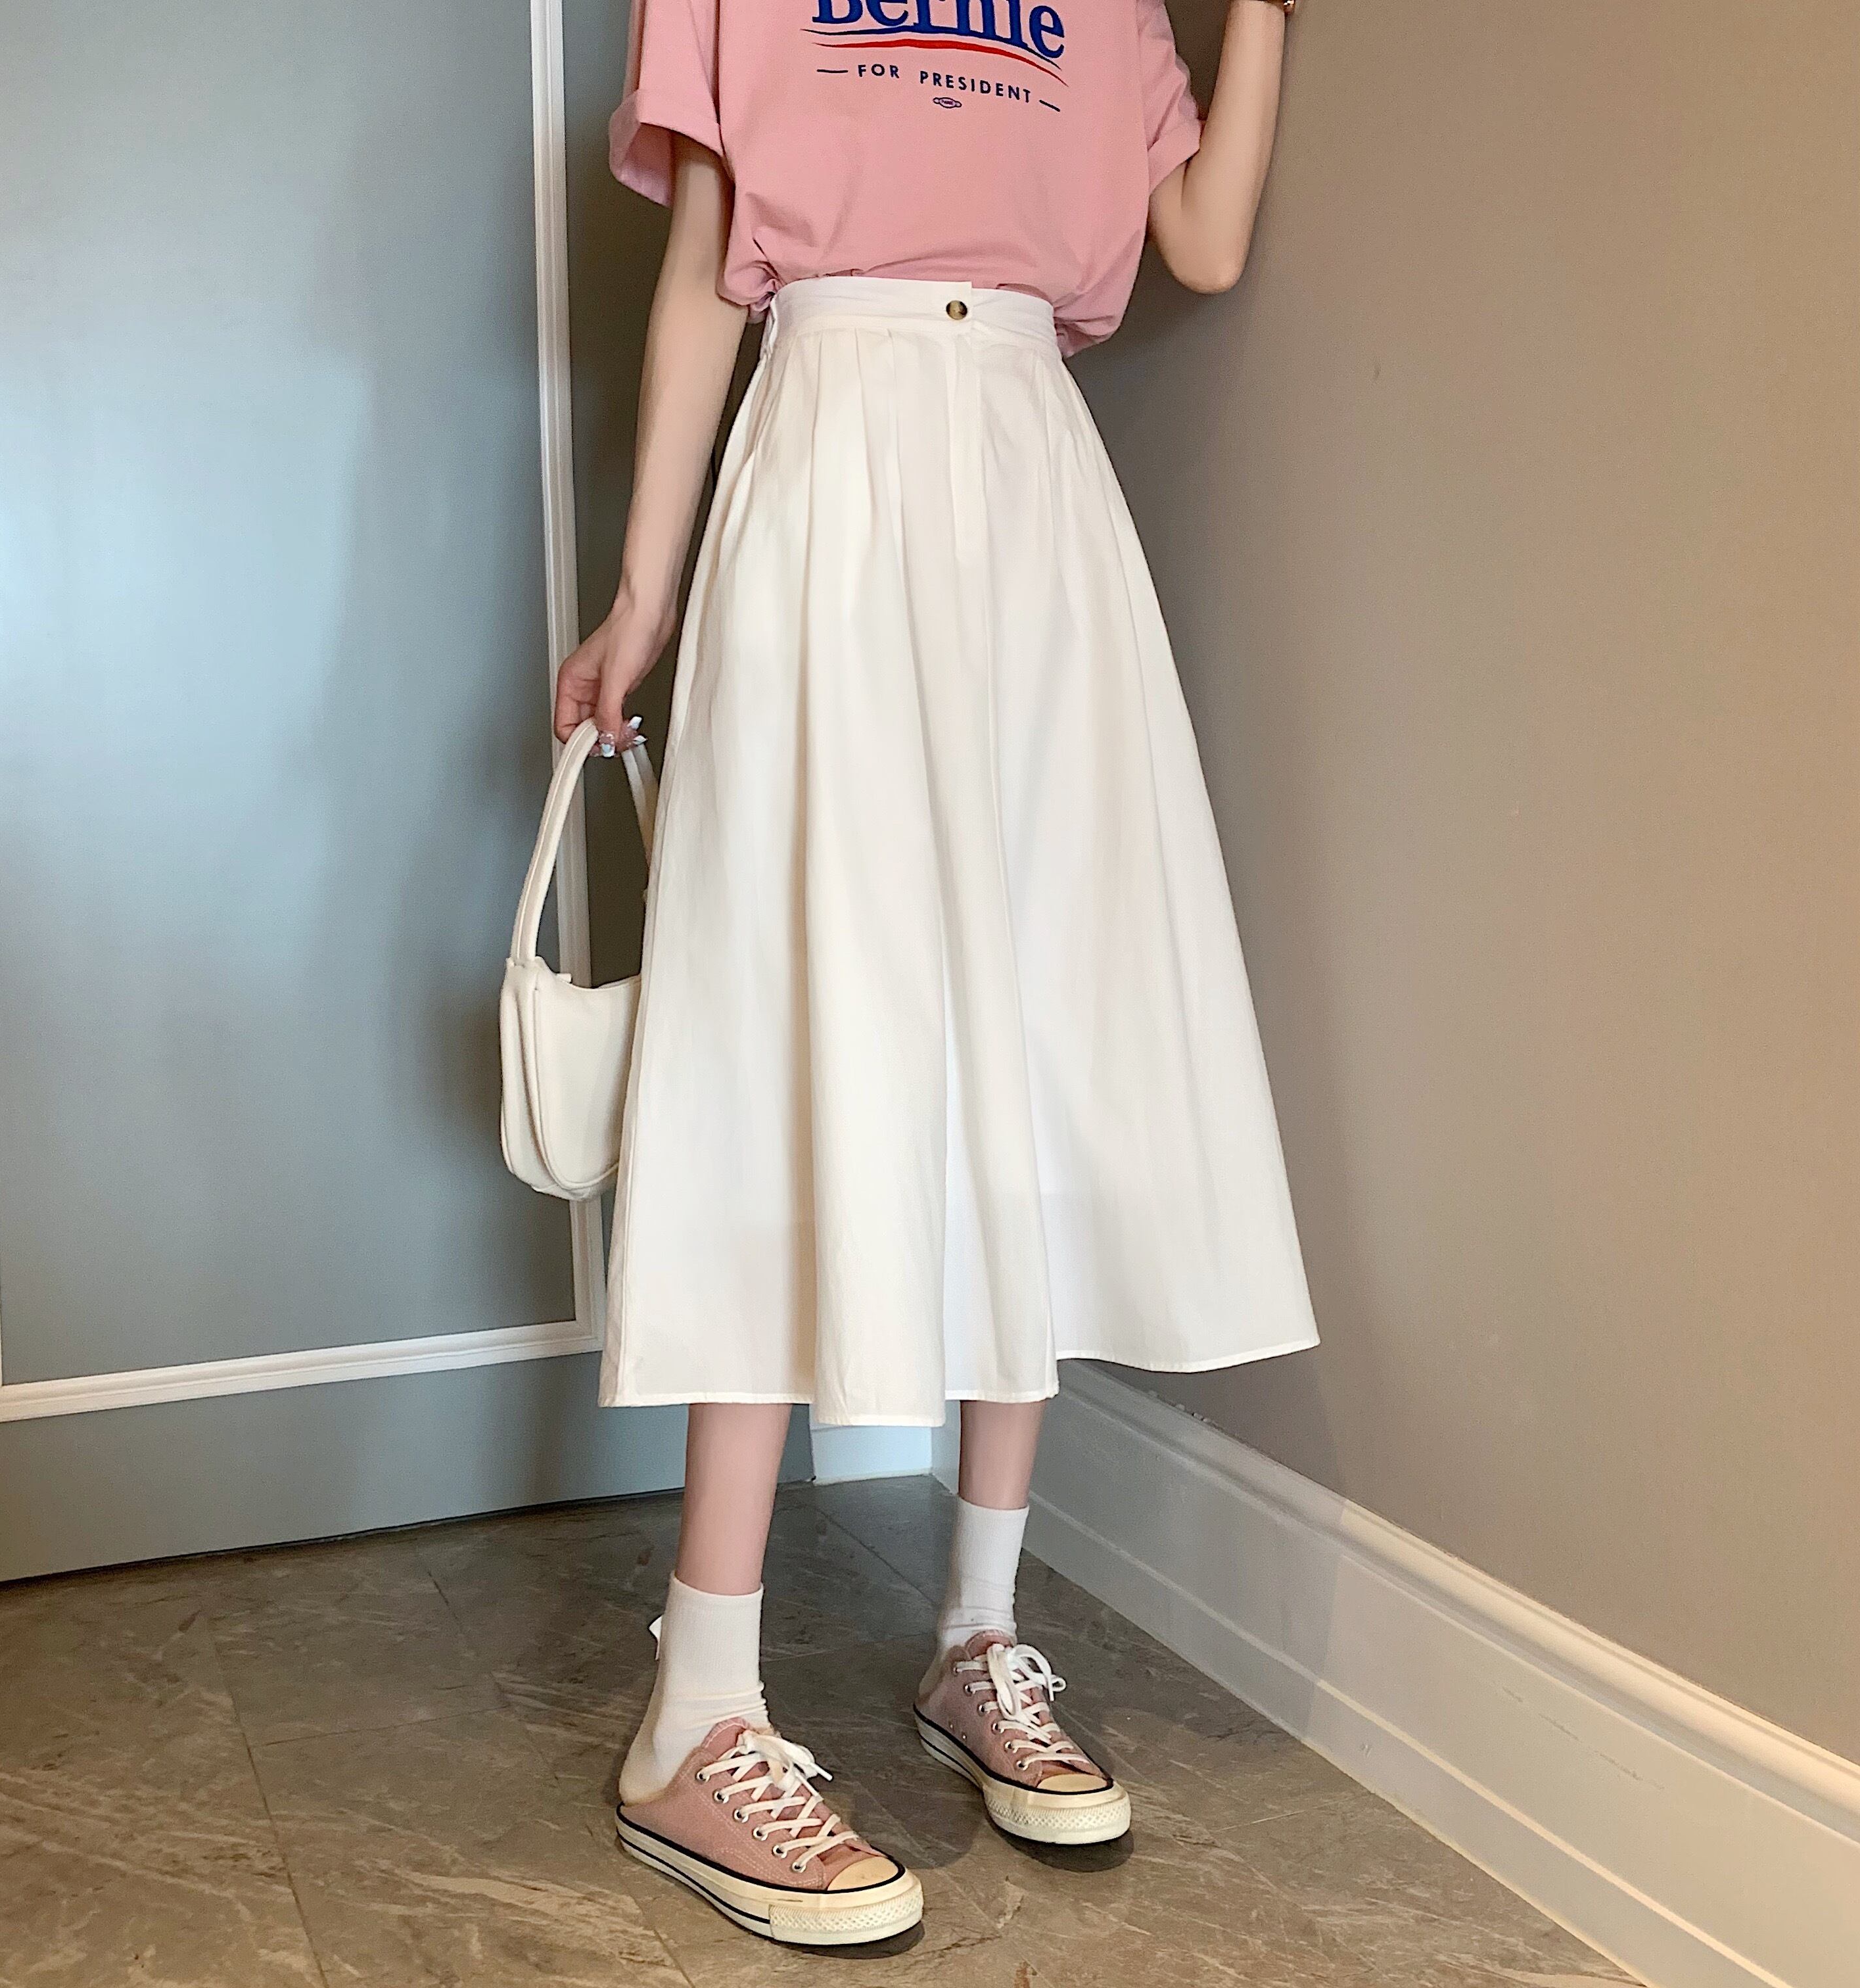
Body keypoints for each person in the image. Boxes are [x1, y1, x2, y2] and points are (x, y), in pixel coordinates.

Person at [554, 0, 1311, 1948]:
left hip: (1036, 498)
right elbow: (703, 283)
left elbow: (1203, 236)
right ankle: (696, 1712)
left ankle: (980, 1633)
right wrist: (642, 593)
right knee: (786, 1039)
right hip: (826, 463)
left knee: (1031, 1045)